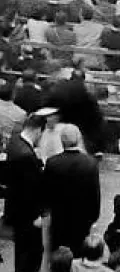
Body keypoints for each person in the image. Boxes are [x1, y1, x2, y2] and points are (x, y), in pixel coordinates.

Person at [43, 123, 101, 257]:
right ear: (79, 139)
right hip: (82, 221)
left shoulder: (52, 163)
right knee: (78, 256)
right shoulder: (91, 164)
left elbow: (46, 194)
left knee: (58, 258)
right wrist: (93, 218)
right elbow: (95, 196)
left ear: (62, 141)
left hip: (58, 220)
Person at [5, 110, 46, 272]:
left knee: (21, 252)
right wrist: (37, 216)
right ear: (38, 130)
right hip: (27, 216)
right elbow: (30, 191)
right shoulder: (26, 156)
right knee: (29, 257)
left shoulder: (15, 142)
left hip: (16, 210)